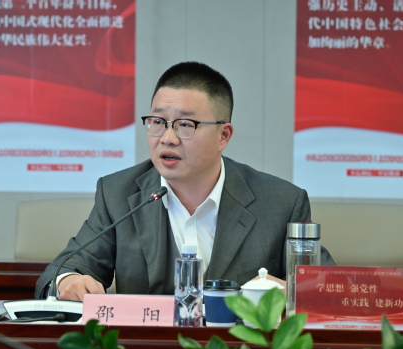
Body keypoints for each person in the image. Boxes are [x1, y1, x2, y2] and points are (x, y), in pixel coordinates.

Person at [35, 61, 334, 300]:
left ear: (223, 135)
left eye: (185, 125)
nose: (167, 138)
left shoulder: (281, 203)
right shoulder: (118, 194)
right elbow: (61, 271)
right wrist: (68, 281)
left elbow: (329, 289)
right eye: (158, 122)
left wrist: (294, 293)